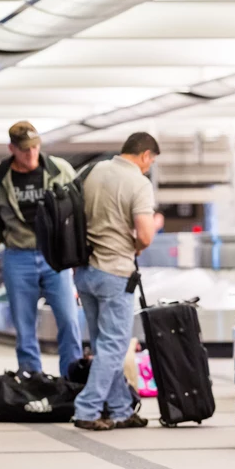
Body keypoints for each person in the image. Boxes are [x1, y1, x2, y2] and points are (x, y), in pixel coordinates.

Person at [0, 121, 82, 377]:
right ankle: (32, 376)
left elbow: (80, 206)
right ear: (12, 148)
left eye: (34, 147)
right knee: (24, 325)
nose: (31, 153)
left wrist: (78, 249)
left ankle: (73, 376)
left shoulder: (59, 170)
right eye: (24, 149)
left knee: (68, 318)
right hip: (18, 255)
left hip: (55, 255)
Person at [71, 132, 159, 431]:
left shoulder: (94, 171)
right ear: (145, 155)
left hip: (85, 271)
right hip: (115, 271)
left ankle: (121, 409)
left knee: (102, 343)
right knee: (115, 345)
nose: (148, 168)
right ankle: (87, 408)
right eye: (151, 162)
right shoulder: (138, 182)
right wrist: (141, 240)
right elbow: (145, 236)